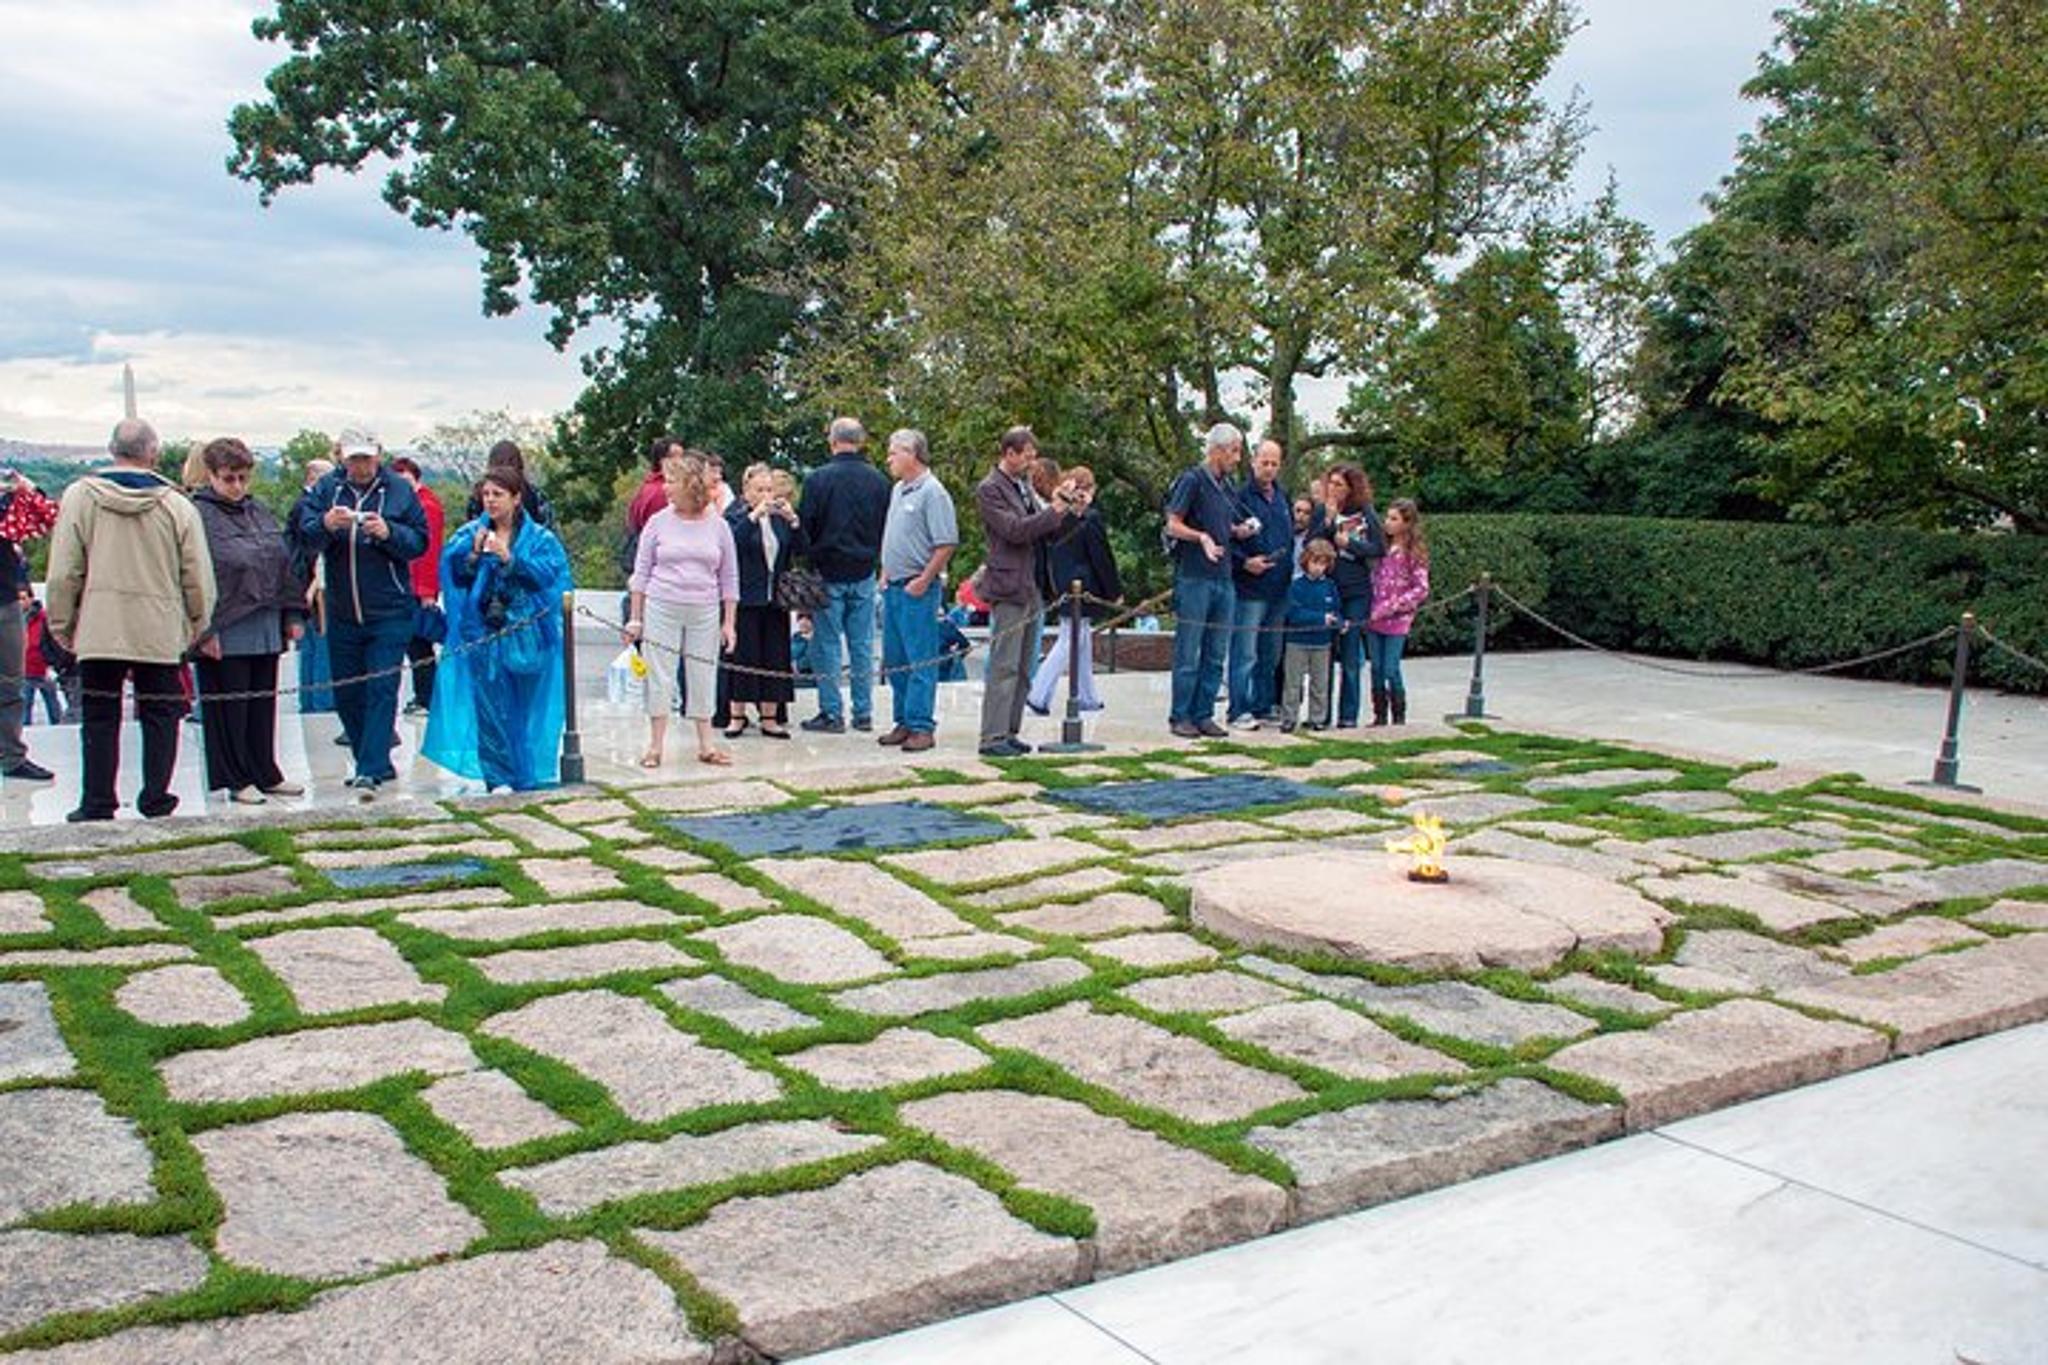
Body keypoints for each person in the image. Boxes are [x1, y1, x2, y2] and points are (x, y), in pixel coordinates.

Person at [45, 419, 216, 821]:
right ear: (152, 452)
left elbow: (64, 570)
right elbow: (197, 575)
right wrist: (196, 622)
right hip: (158, 624)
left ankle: (98, 800)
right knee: (161, 716)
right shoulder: (175, 505)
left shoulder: (80, 497)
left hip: (100, 622)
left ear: (111, 449)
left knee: (100, 717)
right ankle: (156, 797)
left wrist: (63, 623)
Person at [295, 428, 429, 797]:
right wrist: (325, 525)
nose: (361, 466)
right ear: (342, 457)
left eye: (367, 458)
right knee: (347, 692)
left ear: (378, 455)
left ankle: (369, 768)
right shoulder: (327, 490)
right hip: (342, 611)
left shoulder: (398, 490)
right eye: (354, 458)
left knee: (382, 688)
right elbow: (302, 534)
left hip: (389, 610)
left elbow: (419, 541)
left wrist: (389, 533)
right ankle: (373, 758)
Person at [425, 468, 574, 791]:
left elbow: (551, 579)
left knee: (525, 707)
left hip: (527, 635)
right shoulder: (468, 536)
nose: (490, 501)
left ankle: (525, 771)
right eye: (486, 494)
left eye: (498, 495)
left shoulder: (541, 539)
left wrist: (511, 560)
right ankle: (498, 777)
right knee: (490, 709)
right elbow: (455, 580)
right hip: (483, 633)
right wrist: (474, 557)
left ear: (516, 498)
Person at [190, 438, 306, 805]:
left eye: (243, 478)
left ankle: (264, 769)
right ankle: (236, 777)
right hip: (226, 625)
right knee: (231, 706)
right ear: (211, 476)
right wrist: (203, 630)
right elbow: (192, 575)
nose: (237, 486)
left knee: (262, 701)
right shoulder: (197, 515)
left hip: (264, 620)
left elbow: (282, 562)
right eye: (228, 479)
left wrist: (292, 613)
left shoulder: (259, 511)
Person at [976, 426, 1085, 757]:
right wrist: (1054, 509)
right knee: (1004, 664)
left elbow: (1046, 532)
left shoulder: (1023, 487)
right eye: (1027, 455)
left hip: (1033, 584)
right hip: (1009, 585)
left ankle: (1011, 730)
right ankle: (992, 736)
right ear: (1009, 453)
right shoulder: (990, 489)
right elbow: (1015, 531)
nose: (1031, 462)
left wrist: (1069, 511)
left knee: (1025, 666)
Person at [625, 451, 738, 767]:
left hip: (704, 608)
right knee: (660, 675)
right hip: (662, 605)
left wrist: (729, 622)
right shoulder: (657, 522)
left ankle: (706, 744)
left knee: (703, 673)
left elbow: (729, 577)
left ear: (689, 484)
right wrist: (636, 618)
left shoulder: (718, 526)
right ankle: (656, 745)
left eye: (672, 480)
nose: (665, 487)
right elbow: (641, 572)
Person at [797, 417, 889, 734]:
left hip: (827, 569)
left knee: (827, 645)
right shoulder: (879, 481)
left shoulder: (817, 480)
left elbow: (805, 529)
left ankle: (831, 712)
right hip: (864, 569)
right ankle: (863, 712)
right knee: (862, 645)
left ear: (832, 441)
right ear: (860, 441)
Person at [1163, 422, 1252, 738]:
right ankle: (1181, 715)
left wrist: (1237, 531)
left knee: (1216, 651)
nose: (1237, 458)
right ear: (1215, 450)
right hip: (1195, 576)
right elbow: (1173, 524)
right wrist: (1200, 537)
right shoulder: (1192, 480)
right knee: (1189, 650)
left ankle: (1204, 713)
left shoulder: (1227, 487)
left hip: (1223, 576)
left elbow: (1222, 526)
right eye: (1233, 451)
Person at [877, 429, 958, 753]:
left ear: (912, 454)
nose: (889, 459)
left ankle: (922, 725)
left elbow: (946, 542)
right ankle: (904, 720)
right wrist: (885, 570)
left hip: (917, 588)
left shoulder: (933, 492)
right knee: (895, 658)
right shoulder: (898, 490)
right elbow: (893, 534)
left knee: (920, 658)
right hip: (893, 585)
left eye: (893, 452)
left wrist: (925, 579)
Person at [1027, 465, 1120, 717]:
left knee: (1081, 641)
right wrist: (1114, 592)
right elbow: (1102, 558)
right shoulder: (1090, 518)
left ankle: (1087, 696)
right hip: (1083, 586)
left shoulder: (1058, 517)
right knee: (1070, 641)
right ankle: (1038, 693)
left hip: (1062, 583)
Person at [723, 462, 807, 739]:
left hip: (775, 598)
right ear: (746, 491)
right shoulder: (735, 516)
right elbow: (730, 545)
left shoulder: (780, 519)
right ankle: (736, 715)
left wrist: (794, 521)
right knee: (743, 655)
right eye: (759, 489)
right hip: (746, 597)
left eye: (770, 489)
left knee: (774, 656)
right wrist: (752, 517)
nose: (766, 495)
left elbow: (803, 549)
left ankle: (770, 716)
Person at [1308, 464, 1385, 727]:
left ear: (1352, 488)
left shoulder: (1365, 513)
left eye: (1339, 484)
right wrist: (1328, 521)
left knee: (1351, 655)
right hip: (1329, 589)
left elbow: (1378, 547)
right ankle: (1321, 715)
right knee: (1324, 656)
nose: (1333, 489)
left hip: (1356, 591)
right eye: (1331, 483)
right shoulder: (1322, 511)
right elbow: (1311, 544)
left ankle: (1348, 716)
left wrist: (1350, 544)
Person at [1227, 438, 1292, 730]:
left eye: (1274, 463)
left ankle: (1263, 705)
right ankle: (1238, 708)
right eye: (1264, 462)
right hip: (1250, 587)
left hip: (1279, 586)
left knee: (1271, 651)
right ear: (1253, 462)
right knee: (1245, 652)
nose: (1268, 468)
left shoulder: (1282, 497)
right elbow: (1227, 539)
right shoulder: (1239, 497)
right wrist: (1244, 562)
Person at [0, 466, 59, 779]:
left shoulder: (8, 501)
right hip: (7, 598)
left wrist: (26, 488)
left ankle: (11, 756)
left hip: (5, 598)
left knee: (11, 684)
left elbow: (48, 516)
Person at [1367, 498, 1431, 726]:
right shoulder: (1381, 550)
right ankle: (1379, 714)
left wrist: (1393, 605)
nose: (1388, 523)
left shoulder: (1413, 553)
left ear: (1407, 523)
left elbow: (1421, 589)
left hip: (1397, 620)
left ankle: (1399, 714)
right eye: (1388, 517)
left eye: (1394, 519)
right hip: (1373, 618)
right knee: (1375, 666)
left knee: (1390, 667)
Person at [390, 457, 444, 716]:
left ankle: (427, 696)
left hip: (417, 587)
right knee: (415, 644)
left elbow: (429, 552)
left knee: (420, 643)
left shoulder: (427, 506)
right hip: (407, 585)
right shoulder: (409, 505)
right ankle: (424, 694)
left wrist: (426, 591)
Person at [287, 456, 337, 714]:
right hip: (313, 582)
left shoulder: (302, 504)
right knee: (321, 641)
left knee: (312, 644)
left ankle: (311, 700)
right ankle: (321, 701)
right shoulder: (309, 507)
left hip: (304, 580)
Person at [1278, 539, 1341, 733]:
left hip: (1322, 643)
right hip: (1297, 642)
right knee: (1292, 683)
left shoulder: (1330, 586)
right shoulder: (1296, 586)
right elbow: (1294, 614)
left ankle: (1317, 718)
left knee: (1319, 683)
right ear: (1306, 561)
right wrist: (1321, 618)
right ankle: (1289, 718)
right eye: (1315, 562)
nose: (1318, 568)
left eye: (1323, 563)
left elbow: (1337, 611)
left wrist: (1339, 622)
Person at [461, 439, 556, 527]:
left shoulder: (534, 496)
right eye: (487, 495)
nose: (490, 499)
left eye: (498, 494)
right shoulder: (536, 495)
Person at [19, 592, 63, 725]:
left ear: (31, 599)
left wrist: (53, 662)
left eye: (23, 598)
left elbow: (52, 641)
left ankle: (58, 729)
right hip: (24, 670)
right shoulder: (13, 619)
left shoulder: (43, 618)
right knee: (24, 708)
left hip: (43, 668)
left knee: (54, 707)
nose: (20, 602)